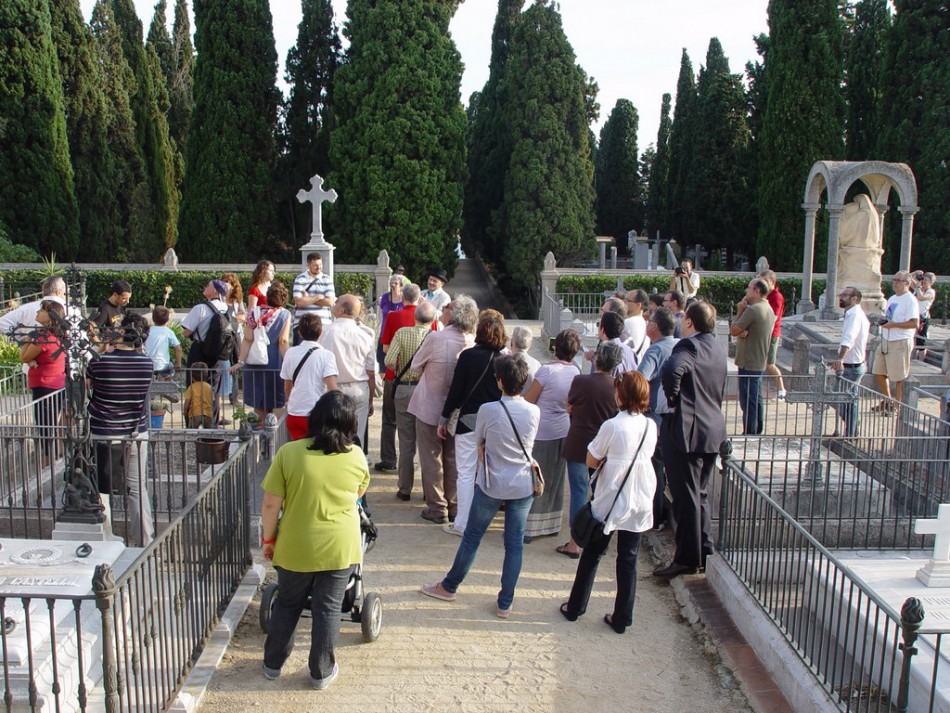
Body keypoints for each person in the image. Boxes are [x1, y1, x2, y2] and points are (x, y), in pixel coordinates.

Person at [260, 391, 370, 690]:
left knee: (287, 604)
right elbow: (358, 494)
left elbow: (271, 504)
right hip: (340, 546)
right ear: (350, 424)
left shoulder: (289, 453)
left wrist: (268, 539)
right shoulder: (357, 456)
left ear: (315, 419)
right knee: (328, 609)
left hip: (296, 544)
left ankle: (272, 664)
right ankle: (321, 671)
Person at [420, 355, 540, 619]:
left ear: (499, 382)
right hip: (521, 482)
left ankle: (449, 586)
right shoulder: (534, 411)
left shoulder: (488, 409)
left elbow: (481, 441)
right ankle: (505, 601)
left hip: (492, 481)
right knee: (514, 544)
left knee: (472, 537)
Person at [560, 371, 657, 633]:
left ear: (622, 394)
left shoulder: (613, 425)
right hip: (640, 494)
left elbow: (591, 459)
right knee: (628, 558)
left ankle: (575, 606)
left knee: (593, 553)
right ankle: (622, 617)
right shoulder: (650, 425)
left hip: (612, 495)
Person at [654, 301, 726, 578]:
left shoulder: (688, 347)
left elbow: (672, 371)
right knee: (699, 494)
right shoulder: (718, 346)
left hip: (687, 430)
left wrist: (673, 399)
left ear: (690, 323)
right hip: (711, 429)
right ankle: (702, 548)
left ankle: (687, 558)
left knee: (686, 498)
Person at [409, 296, 478, 525]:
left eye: (448, 306)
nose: (444, 309)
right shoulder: (472, 342)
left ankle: (437, 506)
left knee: (431, 458)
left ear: (453, 313)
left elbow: (416, 365)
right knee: (453, 458)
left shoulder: (436, 338)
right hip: (458, 410)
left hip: (430, 403)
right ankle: (454, 505)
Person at [88, 313, 154, 546]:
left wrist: (105, 348)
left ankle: (105, 540)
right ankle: (144, 541)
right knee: (137, 489)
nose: (112, 329)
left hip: (105, 432)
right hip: (136, 431)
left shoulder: (99, 362)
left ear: (125, 333)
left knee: (102, 489)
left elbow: (90, 387)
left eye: (116, 327)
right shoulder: (147, 363)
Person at [438, 313, 506, 534]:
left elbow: (456, 392)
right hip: (495, 422)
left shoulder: (468, 356)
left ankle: (463, 523)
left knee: (466, 473)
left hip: (469, 420)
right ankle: (485, 520)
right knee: (489, 472)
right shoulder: (504, 359)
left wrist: (444, 418)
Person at [557, 341, 622, 558]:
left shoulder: (581, 381)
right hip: (604, 447)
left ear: (596, 359)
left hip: (579, 442)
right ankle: (597, 541)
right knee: (600, 494)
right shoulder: (617, 387)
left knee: (578, 491)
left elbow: (570, 406)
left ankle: (576, 542)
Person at [523, 329, 581, 541]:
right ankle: (551, 524)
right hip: (564, 428)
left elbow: (529, 399)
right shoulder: (576, 372)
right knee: (556, 478)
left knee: (537, 477)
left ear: (556, 347)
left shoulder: (547, 371)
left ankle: (530, 527)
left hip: (543, 429)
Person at [378, 284, 434, 471]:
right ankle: (414, 461)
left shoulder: (394, 316)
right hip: (423, 379)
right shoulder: (429, 319)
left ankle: (389, 460)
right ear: (419, 298)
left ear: (403, 298)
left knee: (389, 419)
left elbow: (385, 348)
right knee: (419, 423)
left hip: (396, 377)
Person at [385, 301, 437, 501]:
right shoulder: (435, 337)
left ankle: (405, 488)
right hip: (426, 389)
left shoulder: (401, 333)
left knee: (406, 441)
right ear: (433, 320)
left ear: (415, 317)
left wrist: (400, 368)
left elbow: (389, 360)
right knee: (427, 443)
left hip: (405, 388)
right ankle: (428, 490)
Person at [637, 307, 678, 530]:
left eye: (649, 320)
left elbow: (640, 378)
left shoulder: (655, 350)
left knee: (653, 467)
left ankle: (654, 516)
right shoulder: (676, 345)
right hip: (670, 414)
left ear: (655, 326)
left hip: (653, 415)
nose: (646, 322)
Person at [320, 295, 376, 446]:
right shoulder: (365, 336)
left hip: (332, 388)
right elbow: (371, 372)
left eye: (337, 301)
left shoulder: (324, 331)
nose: (334, 302)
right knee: (357, 436)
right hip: (358, 388)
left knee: (332, 434)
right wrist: (370, 399)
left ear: (342, 309)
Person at [233, 282, 292, 423]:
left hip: (254, 363)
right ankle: (271, 436)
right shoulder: (285, 314)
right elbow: (283, 341)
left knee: (258, 403)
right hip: (275, 362)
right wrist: (289, 362)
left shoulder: (254, 312)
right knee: (275, 402)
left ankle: (259, 437)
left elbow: (247, 339)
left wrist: (240, 361)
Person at [20, 300, 66, 466]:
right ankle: (54, 459)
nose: (38, 312)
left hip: (44, 385)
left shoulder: (42, 338)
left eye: (42, 310)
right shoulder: (56, 336)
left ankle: (48, 465)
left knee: (45, 427)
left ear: (50, 317)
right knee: (51, 425)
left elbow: (24, 357)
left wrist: (27, 341)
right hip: (56, 384)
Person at [280, 315, 339, 441]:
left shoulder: (290, 353)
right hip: (317, 411)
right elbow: (332, 387)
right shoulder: (326, 355)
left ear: (300, 333)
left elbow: (287, 386)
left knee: (297, 450)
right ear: (321, 332)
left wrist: (289, 400)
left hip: (295, 411)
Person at [731, 278, 776, 435]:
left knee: (748, 400)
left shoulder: (753, 310)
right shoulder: (767, 307)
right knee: (756, 398)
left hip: (748, 361)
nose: (746, 291)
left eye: (749, 288)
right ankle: (756, 430)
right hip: (758, 360)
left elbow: (734, 330)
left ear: (757, 291)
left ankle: (749, 432)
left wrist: (740, 310)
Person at [872, 270, 919, 414]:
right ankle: (888, 399)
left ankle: (896, 405)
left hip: (900, 340)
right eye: (894, 280)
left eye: (898, 280)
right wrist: (884, 321)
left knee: (899, 376)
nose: (895, 283)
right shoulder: (892, 298)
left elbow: (914, 323)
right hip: (886, 338)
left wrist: (893, 325)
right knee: (878, 371)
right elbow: (889, 317)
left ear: (907, 283)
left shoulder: (910, 300)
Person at [831, 287, 869, 437]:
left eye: (844, 295)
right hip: (852, 363)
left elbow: (849, 338)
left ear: (854, 298)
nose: (840, 297)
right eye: (841, 294)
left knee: (843, 400)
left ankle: (852, 431)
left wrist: (841, 358)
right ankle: (852, 428)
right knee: (845, 400)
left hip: (852, 365)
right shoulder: (851, 314)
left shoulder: (855, 315)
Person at [0, 275, 68, 336]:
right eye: (65, 293)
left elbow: (2, 322)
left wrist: (19, 340)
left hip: (32, 344)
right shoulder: (69, 309)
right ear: (58, 292)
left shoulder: (26, 308)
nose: (38, 312)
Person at [292, 253, 335, 344]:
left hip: (323, 325)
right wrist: (318, 297)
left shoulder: (327, 279)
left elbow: (330, 302)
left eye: (320, 264)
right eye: (315, 265)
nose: (318, 267)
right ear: (308, 264)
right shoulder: (300, 279)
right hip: (302, 326)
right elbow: (299, 301)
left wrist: (307, 298)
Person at [758, 270, 787, 400]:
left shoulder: (776, 297)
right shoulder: (765, 295)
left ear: (772, 282)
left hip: (772, 333)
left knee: (770, 364)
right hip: (764, 333)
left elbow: (773, 317)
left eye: (765, 281)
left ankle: (781, 390)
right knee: (763, 363)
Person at [221, 273, 247, 408]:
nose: (225, 284)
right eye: (224, 281)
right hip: (223, 336)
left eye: (228, 282)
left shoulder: (237, 300)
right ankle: (222, 394)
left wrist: (236, 318)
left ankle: (234, 396)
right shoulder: (219, 299)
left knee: (236, 364)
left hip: (236, 335)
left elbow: (243, 315)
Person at [144, 306, 182, 377]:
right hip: (162, 365)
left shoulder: (148, 331)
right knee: (170, 365)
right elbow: (178, 348)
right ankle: (167, 384)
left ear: (152, 318)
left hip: (148, 365)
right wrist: (178, 365)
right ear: (168, 319)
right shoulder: (168, 331)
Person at [377, 276, 405, 370]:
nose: (393, 285)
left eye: (396, 283)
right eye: (391, 283)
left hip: (399, 333)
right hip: (385, 332)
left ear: (401, 285)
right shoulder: (385, 297)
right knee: (382, 363)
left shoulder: (404, 298)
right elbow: (381, 313)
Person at [912, 271, 936, 359]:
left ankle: (921, 360)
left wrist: (918, 286)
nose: (924, 281)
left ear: (931, 282)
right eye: (923, 279)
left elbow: (921, 297)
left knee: (921, 340)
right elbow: (907, 279)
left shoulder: (930, 292)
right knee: (913, 338)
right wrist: (915, 273)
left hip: (923, 318)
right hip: (914, 316)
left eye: (926, 280)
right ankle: (913, 358)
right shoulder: (918, 288)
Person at [509, 326, 541, 390]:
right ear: (530, 344)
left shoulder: (503, 362)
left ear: (512, 341)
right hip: (529, 399)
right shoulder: (537, 365)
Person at [622, 289, 650, 363]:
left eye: (627, 300)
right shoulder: (644, 322)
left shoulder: (629, 322)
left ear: (638, 305)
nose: (624, 302)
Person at [184, 361, 214, 428]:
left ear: (192, 376)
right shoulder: (209, 387)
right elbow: (212, 400)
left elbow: (187, 401)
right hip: (208, 413)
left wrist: (185, 410)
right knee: (209, 432)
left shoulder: (192, 387)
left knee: (192, 431)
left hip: (195, 413)